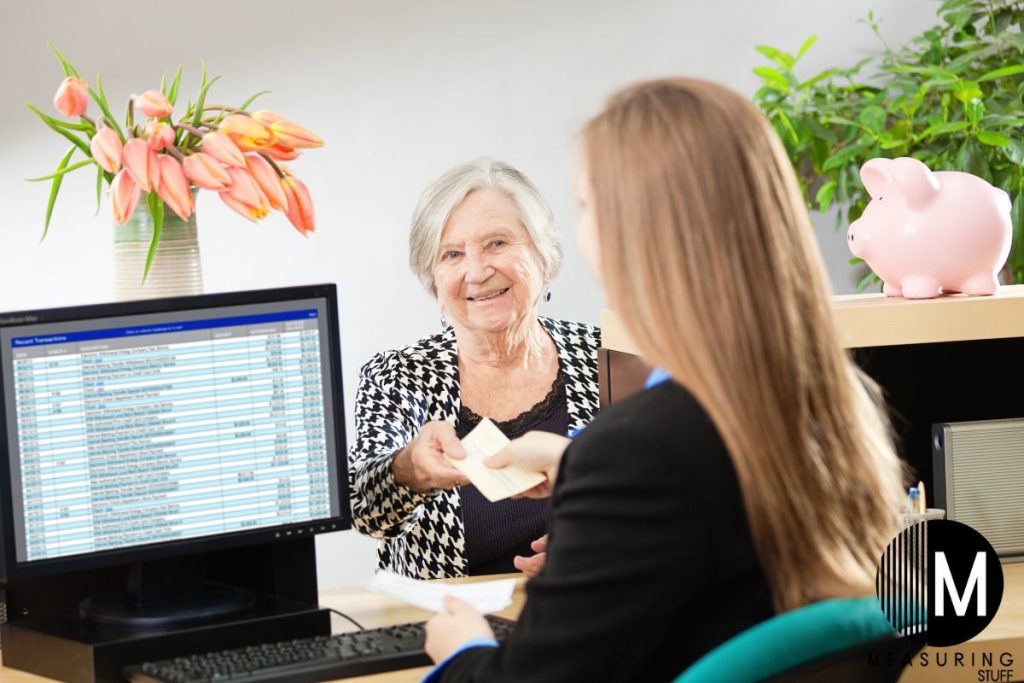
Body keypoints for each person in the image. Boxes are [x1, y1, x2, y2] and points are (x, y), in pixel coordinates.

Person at [422, 79, 907, 681]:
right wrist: (577, 465)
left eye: (586, 206)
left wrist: (464, 648)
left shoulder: (639, 447)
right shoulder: (840, 401)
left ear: (636, 234)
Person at [348, 157, 601, 578]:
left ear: (542, 255)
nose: (477, 271)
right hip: (450, 611)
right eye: (452, 254)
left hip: (590, 601)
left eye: (497, 243)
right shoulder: (397, 375)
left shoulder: (607, 354)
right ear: (433, 278)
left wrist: (603, 549)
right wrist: (411, 469)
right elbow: (365, 512)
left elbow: (666, 492)